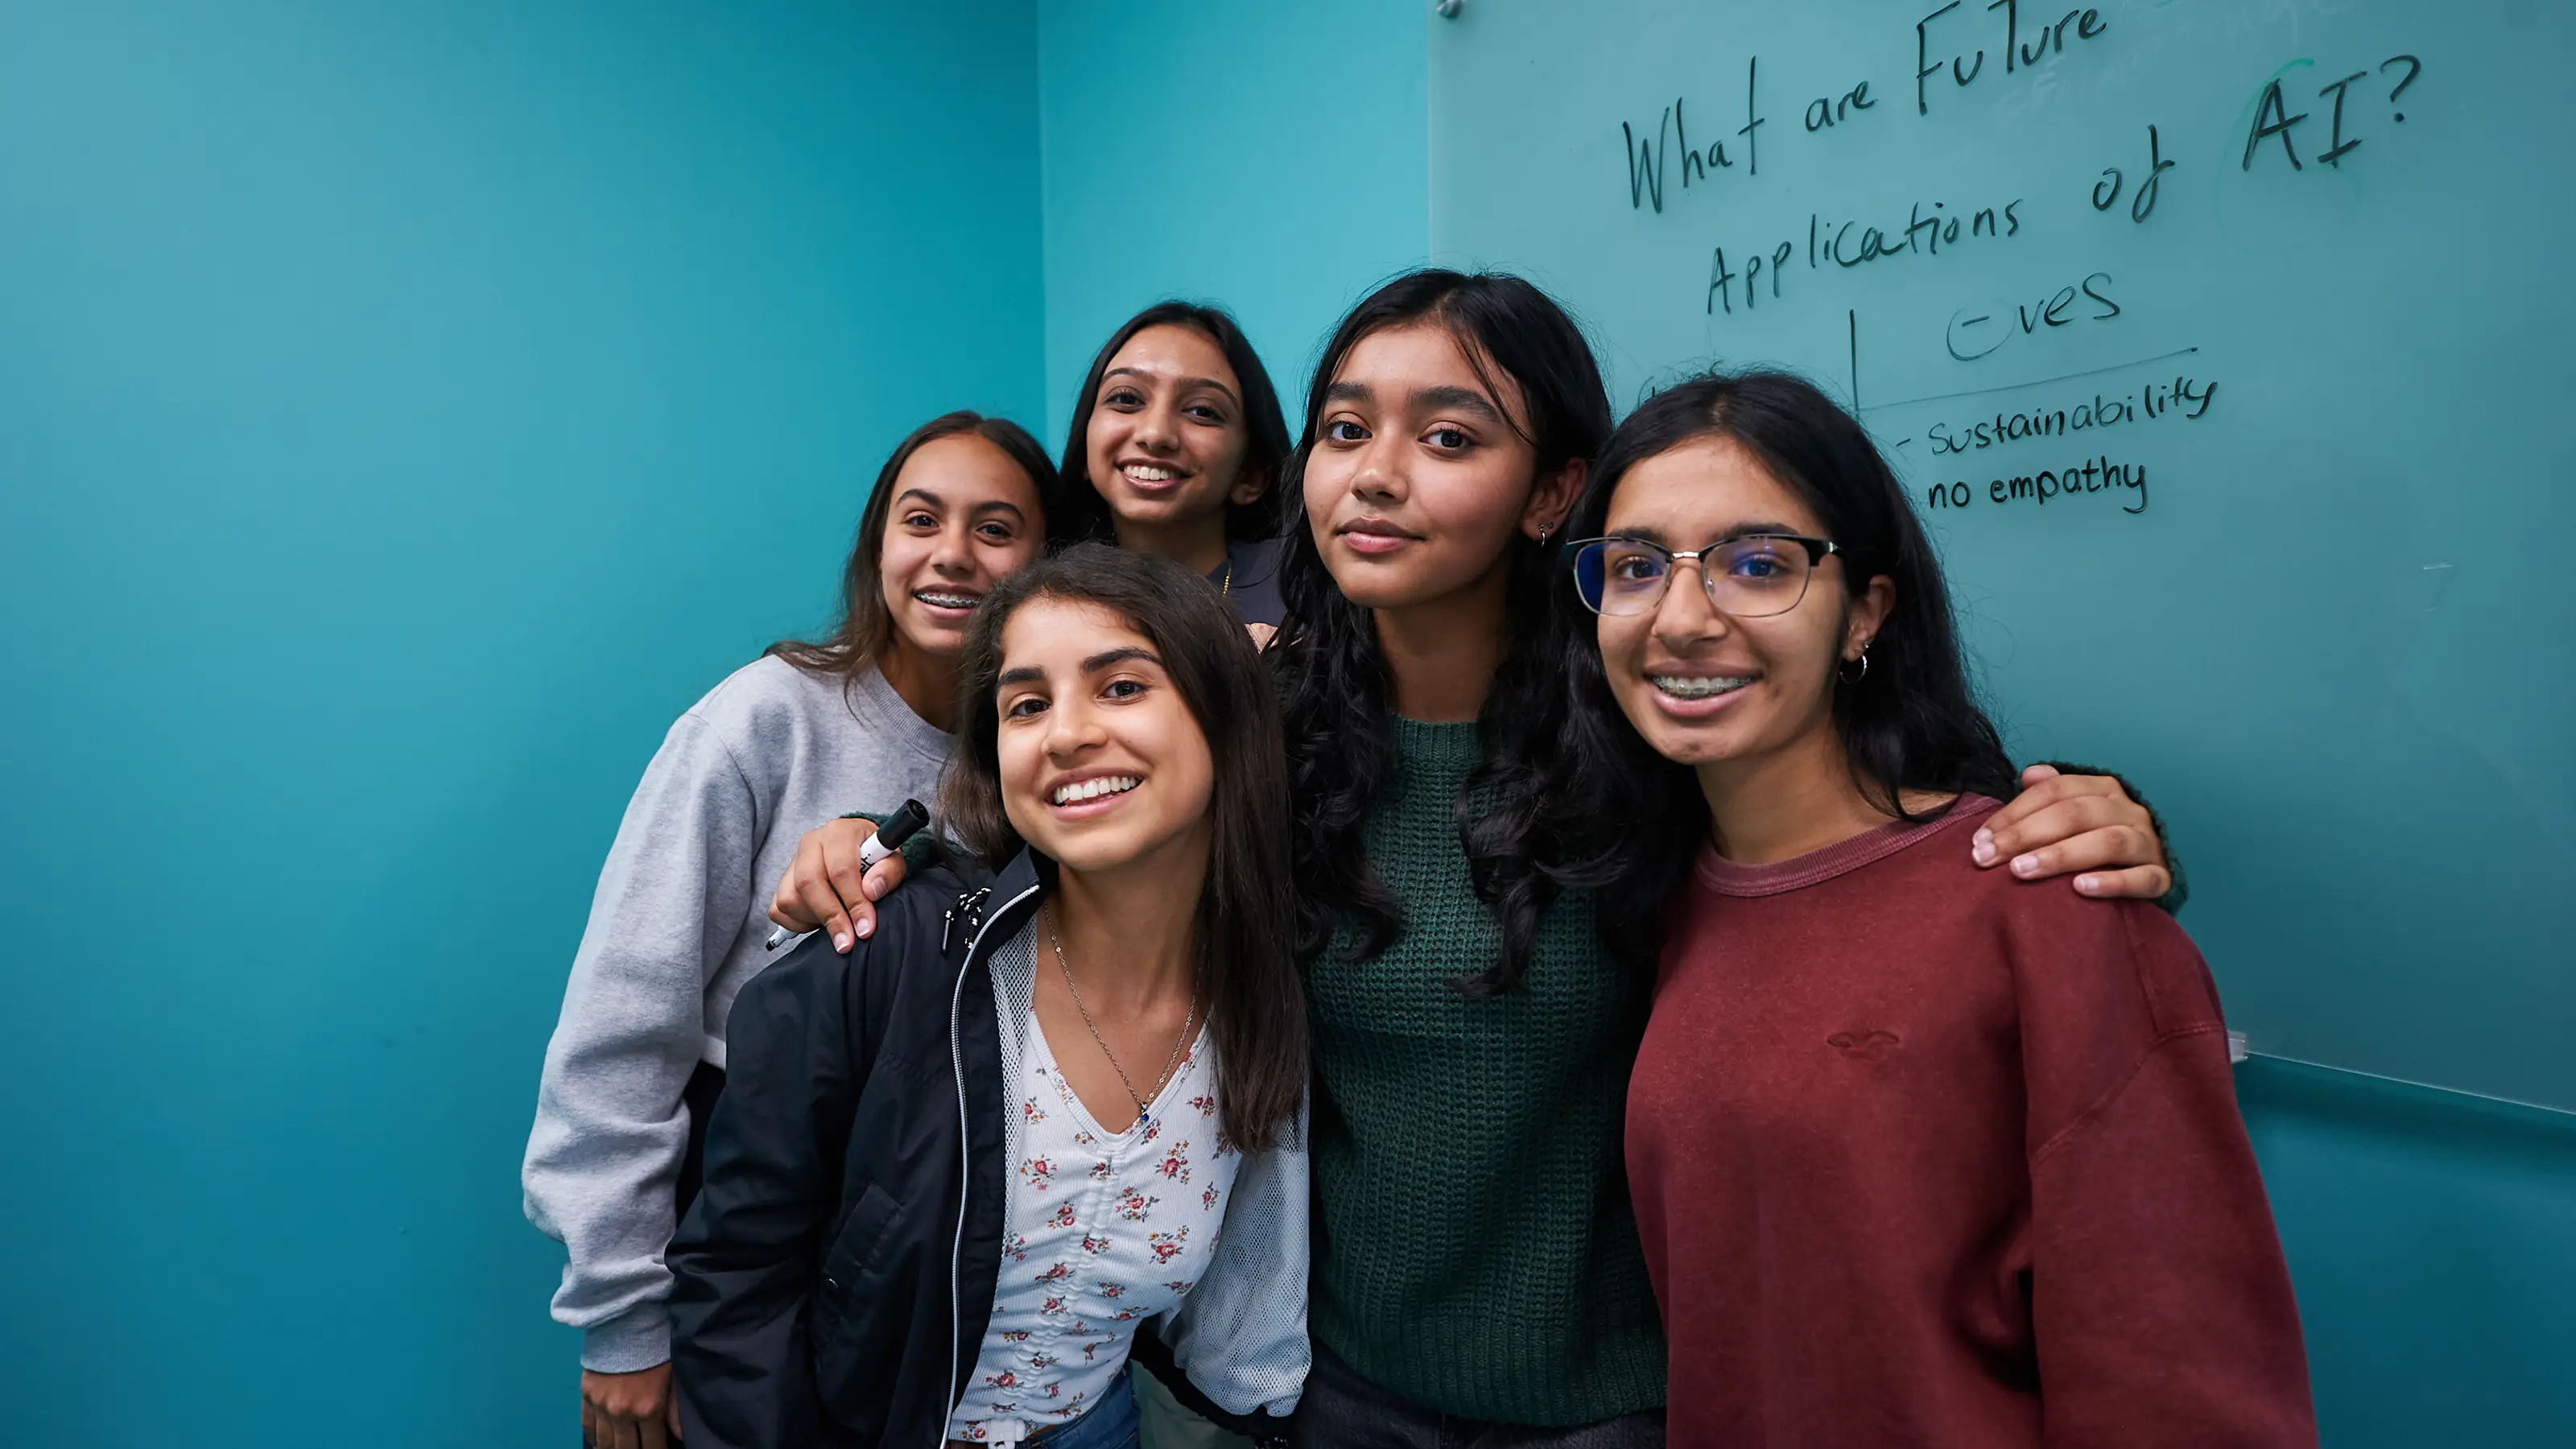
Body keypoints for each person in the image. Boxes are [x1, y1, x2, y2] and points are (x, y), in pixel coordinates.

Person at [767, 271, 2176, 1441]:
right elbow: (1064, 810)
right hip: (1332, 1397)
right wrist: (875, 843)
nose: (1375, 475)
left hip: (1621, 1408)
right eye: (1340, 430)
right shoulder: (1258, 718)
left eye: (1448, 438)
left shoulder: (1665, 725)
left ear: (1556, 490)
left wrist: (2105, 809)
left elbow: (1872, 855)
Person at [1570, 371, 2314, 1445]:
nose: (1683, 619)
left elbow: (2181, 1383)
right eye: (1638, 566)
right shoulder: (1661, 897)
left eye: (1758, 565)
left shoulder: (2049, 902)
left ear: (1865, 611)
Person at [667, 545, 1311, 1449]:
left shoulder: (1263, 1001)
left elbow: (1243, 1326)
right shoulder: (885, 954)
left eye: (1121, 687)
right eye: (1026, 705)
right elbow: (735, 1281)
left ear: (1225, 716)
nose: (1064, 734)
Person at [522, 411, 1056, 1449]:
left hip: (925, 1226)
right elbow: (622, 1036)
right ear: (877, 547)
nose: (953, 554)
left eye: (997, 528)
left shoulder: (1040, 756)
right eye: (922, 519)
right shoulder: (759, 722)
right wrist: (624, 1327)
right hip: (741, 1214)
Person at [1052, 302, 1296, 631]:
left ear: (1250, 473)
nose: (1155, 434)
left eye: (1202, 411)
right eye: (1126, 399)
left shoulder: (1303, 593)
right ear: (1084, 447)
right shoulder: (1045, 605)